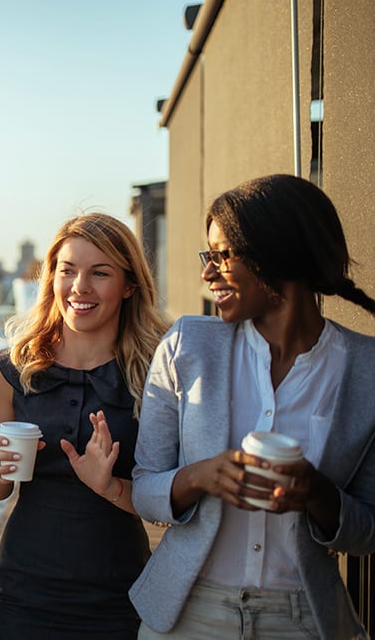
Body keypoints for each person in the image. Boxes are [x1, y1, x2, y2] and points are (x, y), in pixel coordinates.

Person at [130, 174, 375, 639]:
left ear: (278, 251)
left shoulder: (366, 369)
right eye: (209, 256)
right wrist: (201, 476)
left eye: (223, 255)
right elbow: (144, 487)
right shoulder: (187, 345)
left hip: (301, 618)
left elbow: (369, 529)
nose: (208, 273)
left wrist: (317, 494)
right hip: (187, 613)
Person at [0, 212, 169, 639]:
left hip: (121, 592)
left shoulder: (155, 373)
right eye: (68, 271)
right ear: (52, 278)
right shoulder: (15, 369)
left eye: (100, 273)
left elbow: (174, 501)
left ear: (129, 285)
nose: (80, 287)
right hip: (24, 590)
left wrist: (111, 486)